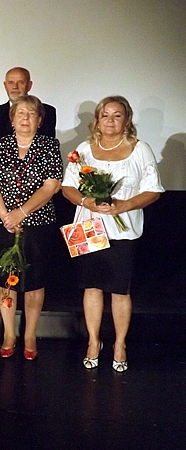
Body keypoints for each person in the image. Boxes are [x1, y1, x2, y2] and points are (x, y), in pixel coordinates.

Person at [62, 96, 163, 372]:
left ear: (126, 120)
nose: (110, 120)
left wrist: (123, 206)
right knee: (91, 287)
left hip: (124, 231)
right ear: (97, 120)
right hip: (89, 228)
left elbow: (153, 190)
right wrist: (87, 201)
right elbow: (68, 187)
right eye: (105, 115)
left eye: (117, 115)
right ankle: (93, 341)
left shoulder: (140, 149)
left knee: (120, 290)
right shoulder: (84, 149)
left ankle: (120, 344)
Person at [0, 95, 63, 360]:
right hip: (2, 224)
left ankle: (29, 334)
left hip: (38, 225)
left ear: (40, 120)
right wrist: (6, 216)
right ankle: (9, 333)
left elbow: (52, 186)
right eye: (20, 113)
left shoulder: (49, 145)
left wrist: (21, 212)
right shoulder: (0, 145)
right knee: (4, 279)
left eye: (31, 113)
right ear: (12, 119)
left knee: (34, 282)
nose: (25, 118)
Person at [0, 67, 56, 156]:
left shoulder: (47, 111)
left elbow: (47, 147)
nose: (15, 87)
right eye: (11, 83)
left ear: (29, 85)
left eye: (21, 82)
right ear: (5, 85)